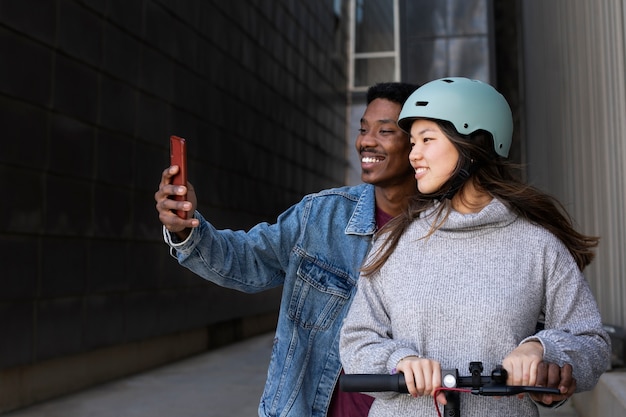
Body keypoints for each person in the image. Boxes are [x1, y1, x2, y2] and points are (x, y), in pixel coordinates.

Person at [338, 77, 611, 417]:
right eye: (412, 143)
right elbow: (355, 341)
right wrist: (399, 361)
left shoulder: (537, 245)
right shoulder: (395, 241)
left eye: (426, 140)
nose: (414, 155)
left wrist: (544, 350)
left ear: (470, 144)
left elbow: (592, 344)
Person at [154, 82, 420, 417]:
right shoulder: (320, 216)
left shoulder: (442, 234)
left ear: (418, 144)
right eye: (363, 129)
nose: (366, 141)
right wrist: (185, 228)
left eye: (384, 131)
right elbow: (245, 260)